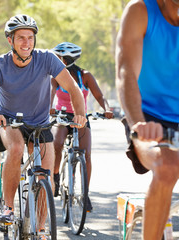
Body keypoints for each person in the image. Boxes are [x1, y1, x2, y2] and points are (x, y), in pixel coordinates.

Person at [0, 14, 87, 224]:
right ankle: (8, 208)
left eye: (30, 38)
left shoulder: (47, 59)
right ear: (10, 40)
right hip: (10, 122)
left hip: (40, 123)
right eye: (21, 38)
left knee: (45, 177)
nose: (26, 43)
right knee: (16, 148)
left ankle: (41, 229)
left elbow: (73, 88)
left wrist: (80, 113)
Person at [115, 0, 179, 239]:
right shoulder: (140, 10)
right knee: (168, 166)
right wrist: (138, 122)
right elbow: (126, 71)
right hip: (148, 118)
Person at [50, 42, 113, 212]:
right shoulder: (55, 76)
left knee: (86, 155)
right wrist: (50, 108)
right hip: (62, 116)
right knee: (57, 144)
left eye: (58, 57)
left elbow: (99, 95)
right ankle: (55, 176)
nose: (55, 60)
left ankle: (85, 195)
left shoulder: (85, 76)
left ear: (65, 59)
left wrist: (106, 109)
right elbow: (50, 93)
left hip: (81, 117)